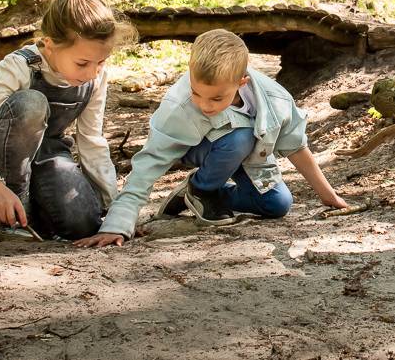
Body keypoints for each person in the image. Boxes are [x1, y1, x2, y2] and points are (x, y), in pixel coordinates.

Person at [75, 28, 348, 247]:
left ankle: (193, 192)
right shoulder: (179, 106)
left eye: (217, 97)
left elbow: (296, 147)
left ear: (242, 83)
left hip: (250, 155)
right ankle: (204, 189)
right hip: (199, 147)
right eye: (197, 93)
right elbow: (151, 161)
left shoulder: (275, 99)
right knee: (239, 137)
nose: (204, 105)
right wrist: (118, 223)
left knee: (278, 205)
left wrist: (328, 196)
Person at [0, 0, 136, 240]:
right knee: (31, 103)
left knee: (83, 225)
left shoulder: (96, 76)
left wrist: (114, 209)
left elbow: (92, 140)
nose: (93, 72)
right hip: (5, 157)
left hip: (50, 153)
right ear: (49, 44)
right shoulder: (20, 67)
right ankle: (9, 211)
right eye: (82, 63)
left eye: (101, 61)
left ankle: (37, 214)